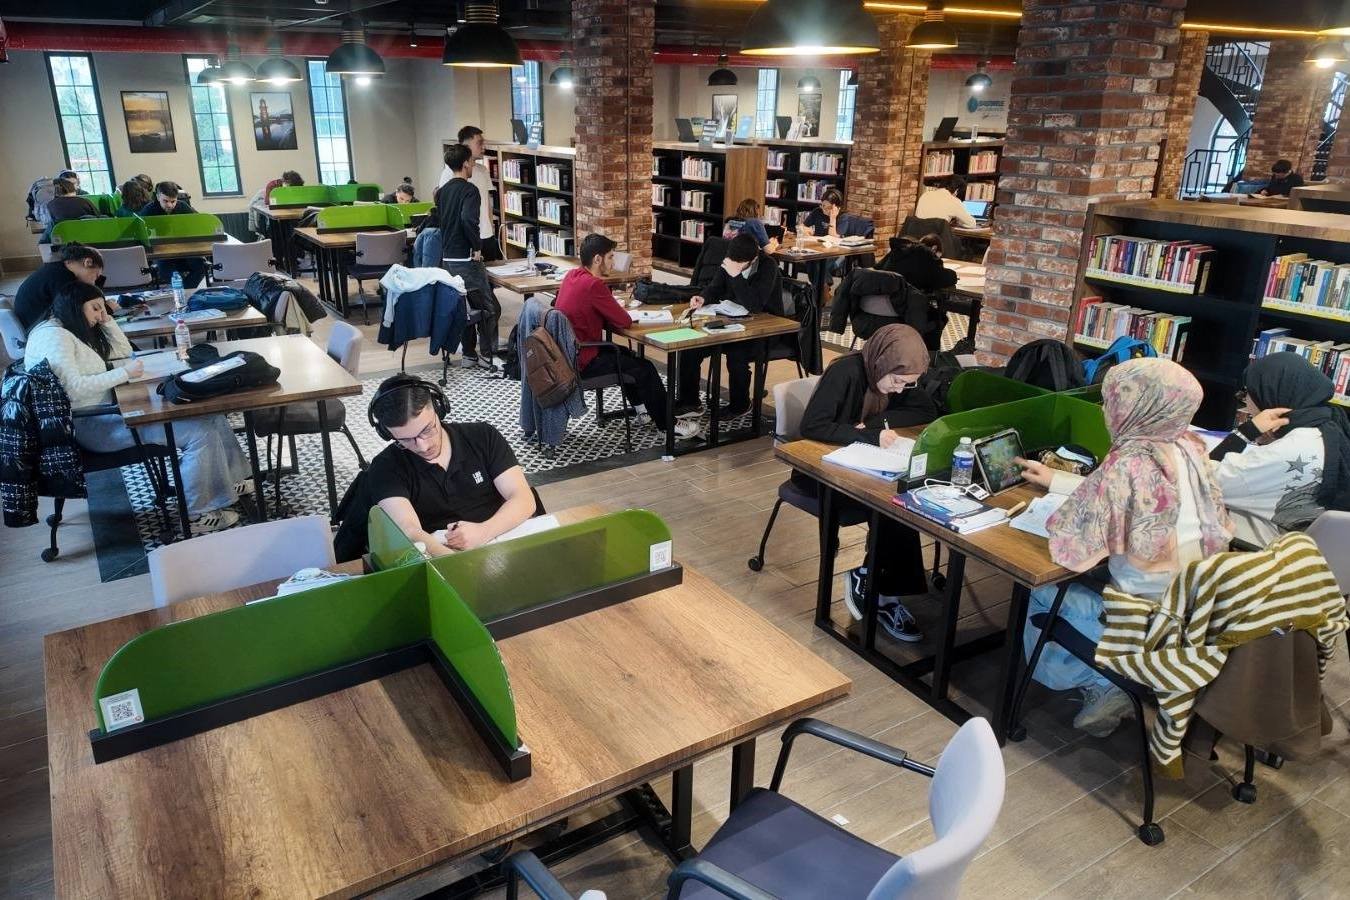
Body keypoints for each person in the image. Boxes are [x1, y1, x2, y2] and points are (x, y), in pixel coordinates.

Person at [1017, 358, 1232, 737]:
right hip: (1197, 612)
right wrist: (1060, 482)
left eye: (1112, 399)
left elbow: (1071, 549)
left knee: (1036, 587)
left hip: (1140, 621)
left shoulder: (1129, 463)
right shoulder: (1192, 448)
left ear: (1137, 405)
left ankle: (1103, 683)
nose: (1105, 408)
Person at [22, 282, 251, 533]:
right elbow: (73, 389)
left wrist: (107, 320)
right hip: (93, 424)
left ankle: (227, 482)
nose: (100, 315)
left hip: (110, 409)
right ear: (75, 307)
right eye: (95, 308)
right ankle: (197, 514)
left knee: (209, 414)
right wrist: (123, 374)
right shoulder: (54, 337)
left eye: (102, 308)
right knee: (200, 432)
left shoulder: (68, 328)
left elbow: (122, 352)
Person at [798, 324, 937, 641]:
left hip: (867, 466)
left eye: (907, 384)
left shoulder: (896, 374)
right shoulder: (845, 372)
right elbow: (812, 426)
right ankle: (877, 587)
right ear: (882, 362)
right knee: (891, 507)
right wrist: (868, 435)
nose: (900, 390)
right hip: (822, 469)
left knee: (903, 502)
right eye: (897, 382)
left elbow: (925, 408)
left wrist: (875, 423)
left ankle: (879, 586)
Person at [366, 375, 537, 556]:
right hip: (436, 554)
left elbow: (523, 498)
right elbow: (408, 530)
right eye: (406, 440)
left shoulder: (482, 437)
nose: (423, 446)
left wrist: (484, 531)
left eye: (427, 430)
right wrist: (452, 561)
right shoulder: (386, 467)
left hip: (499, 540)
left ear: (438, 409)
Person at [555, 234, 699, 440]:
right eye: (611, 257)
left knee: (626, 356)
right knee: (645, 369)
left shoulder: (572, 275)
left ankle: (643, 410)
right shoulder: (594, 285)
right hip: (583, 360)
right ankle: (668, 425)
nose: (613, 263)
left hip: (568, 354)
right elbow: (623, 321)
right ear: (597, 259)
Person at [1209, 352, 1350, 548]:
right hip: (1309, 553)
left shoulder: (1287, 452)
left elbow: (1203, 480)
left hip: (1259, 553)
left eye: (1247, 392)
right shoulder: (1331, 424)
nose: (1245, 399)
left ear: (1270, 394)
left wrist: (1247, 431)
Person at [674, 232, 783, 419]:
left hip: (765, 329)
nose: (734, 266)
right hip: (732, 321)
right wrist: (703, 298)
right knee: (690, 347)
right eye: (732, 262)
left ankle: (741, 405)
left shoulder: (768, 267)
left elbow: (755, 305)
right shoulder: (730, 260)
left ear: (753, 259)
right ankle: (690, 402)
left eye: (740, 264)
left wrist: (736, 276)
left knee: (736, 352)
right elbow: (715, 288)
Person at [434, 144, 500, 370]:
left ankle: (469, 354)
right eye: (472, 162)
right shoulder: (470, 190)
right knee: (489, 309)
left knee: (464, 309)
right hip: (466, 259)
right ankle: (488, 356)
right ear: (465, 164)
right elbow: (468, 220)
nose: (473, 165)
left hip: (448, 259)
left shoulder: (442, 192)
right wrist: (477, 247)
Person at [14, 242, 112, 332]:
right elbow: (74, 315)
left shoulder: (57, 269)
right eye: (96, 276)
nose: (93, 283)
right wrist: (107, 310)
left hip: (30, 322)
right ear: (87, 262)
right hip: (36, 328)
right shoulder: (63, 278)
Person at [140, 181, 208, 288]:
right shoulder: (149, 210)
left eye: (173, 201)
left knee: (202, 265)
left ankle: (184, 289)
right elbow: (141, 232)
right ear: (158, 197)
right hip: (161, 252)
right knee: (164, 270)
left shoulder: (183, 207)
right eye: (165, 201)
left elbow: (197, 224)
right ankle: (182, 289)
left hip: (185, 249)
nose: (169, 205)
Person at [879, 233, 959, 292]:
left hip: (879, 299)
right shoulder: (925, 255)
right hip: (901, 304)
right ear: (934, 249)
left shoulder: (898, 250)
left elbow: (877, 268)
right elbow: (945, 277)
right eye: (937, 256)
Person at [41, 178, 100, 242]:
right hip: (91, 238)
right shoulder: (85, 201)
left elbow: (47, 220)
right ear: (74, 190)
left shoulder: (51, 204)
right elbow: (99, 218)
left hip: (63, 239)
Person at [798, 188, 871, 239]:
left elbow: (833, 238)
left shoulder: (843, 217)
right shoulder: (818, 211)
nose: (824, 209)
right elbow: (801, 226)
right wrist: (804, 230)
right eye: (823, 205)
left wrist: (832, 218)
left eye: (828, 208)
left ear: (837, 207)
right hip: (817, 245)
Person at [248, 170, 303, 236]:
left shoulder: (296, 185)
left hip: (290, 211)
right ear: (285, 182)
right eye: (290, 188)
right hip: (273, 210)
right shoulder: (272, 185)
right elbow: (267, 202)